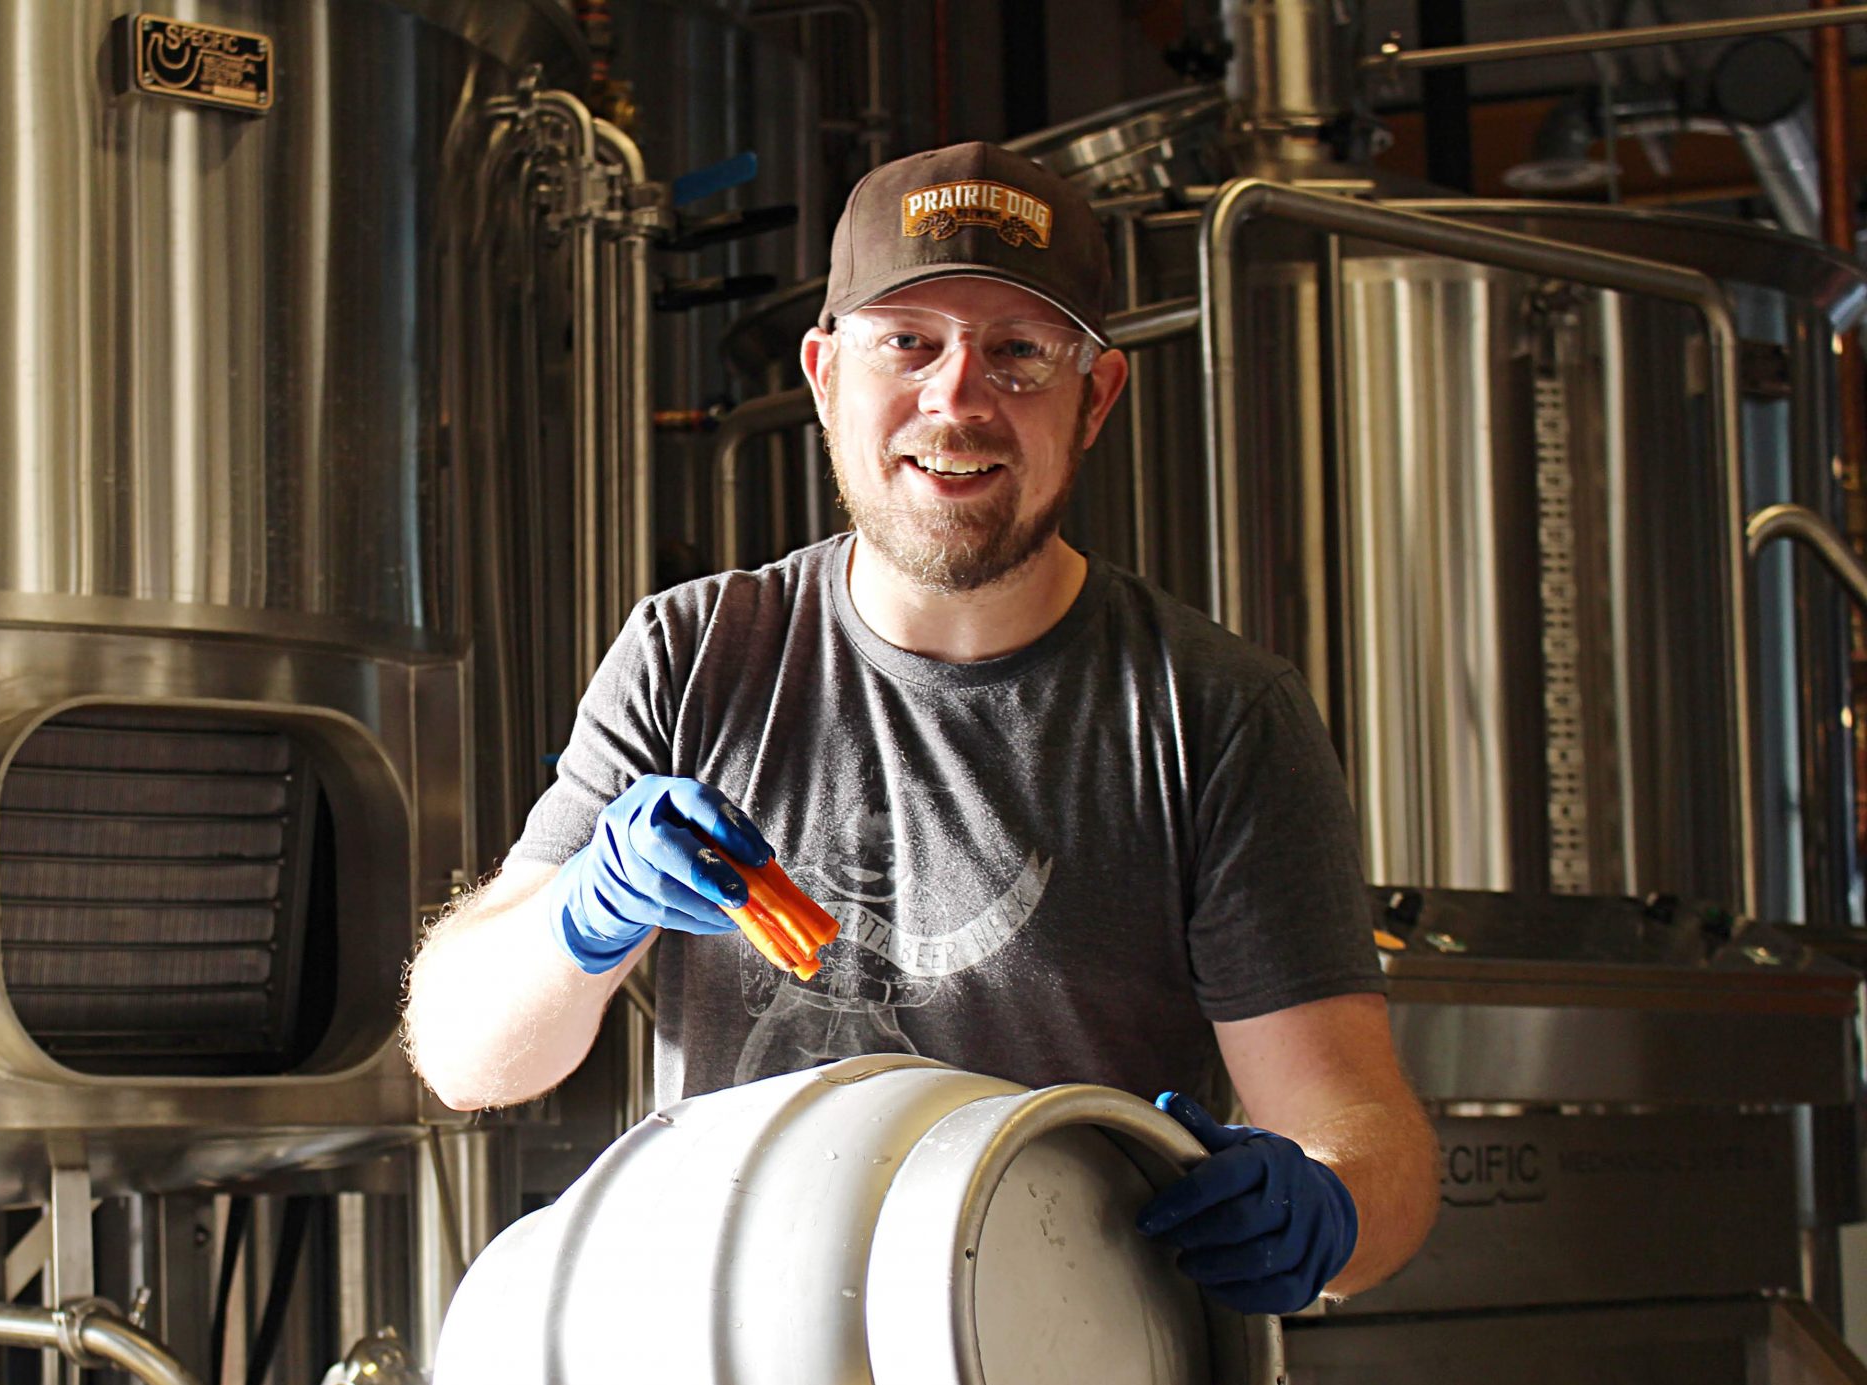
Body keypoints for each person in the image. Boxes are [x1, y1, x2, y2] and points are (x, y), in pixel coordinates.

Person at [403, 141, 1436, 1315]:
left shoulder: (1208, 712)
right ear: (824, 372)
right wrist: (583, 910)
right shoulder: (695, 657)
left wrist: (1326, 1202)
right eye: (907, 343)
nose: (956, 398)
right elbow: (466, 1056)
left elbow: (1361, 1128)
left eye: (1018, 353)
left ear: (1093, 396)